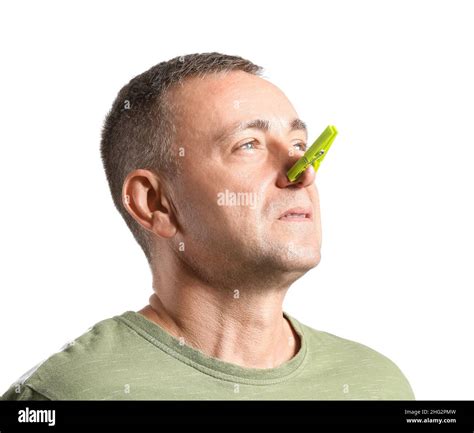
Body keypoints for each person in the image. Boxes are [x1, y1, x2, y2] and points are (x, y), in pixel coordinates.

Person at [1, 52, 415, 400]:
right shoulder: (65, 396)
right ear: (155, 204)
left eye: (298, 145)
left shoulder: (378, 385)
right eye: (248, 145)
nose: (301, 173)